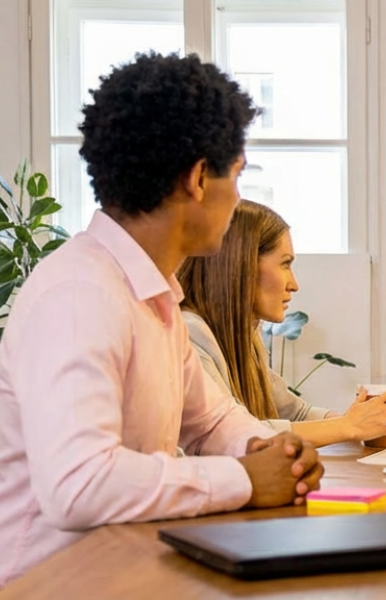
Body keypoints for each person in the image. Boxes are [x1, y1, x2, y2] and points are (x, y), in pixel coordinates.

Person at [0, 53, 321, 586]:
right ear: (199, 178)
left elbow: (210, 421)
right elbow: (79, 485)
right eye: (237, 175)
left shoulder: (152, 293)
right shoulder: (80, 294)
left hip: (121, 568)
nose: (238, 196)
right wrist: (243, 478)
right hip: (50, 584)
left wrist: (265, 450)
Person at [178, 200, 386, 446]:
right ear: (242, 266)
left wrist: (366, 422)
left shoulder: (242, 339)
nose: (293, 284)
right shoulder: (190, 335)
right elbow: (232, 435)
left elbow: (295, 413)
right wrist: (349, 426)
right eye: (285, 264)